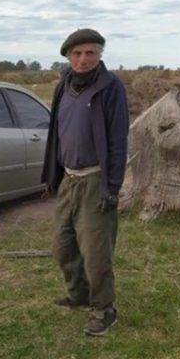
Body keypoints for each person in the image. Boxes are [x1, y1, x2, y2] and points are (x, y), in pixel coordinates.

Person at [41, 28, 129, 336]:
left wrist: (112, 187)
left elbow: (118, 140)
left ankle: (105, 309)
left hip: (95, 181)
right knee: (62, 247)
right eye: (77, 54)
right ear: (68, 56)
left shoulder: (110, 87)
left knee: (96, 252)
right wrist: (52, 175)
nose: (83, 59)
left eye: (90, 53)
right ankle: (79, 295)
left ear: (99, 55)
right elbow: (56, 131)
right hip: (69, 180)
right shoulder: (63, 84)